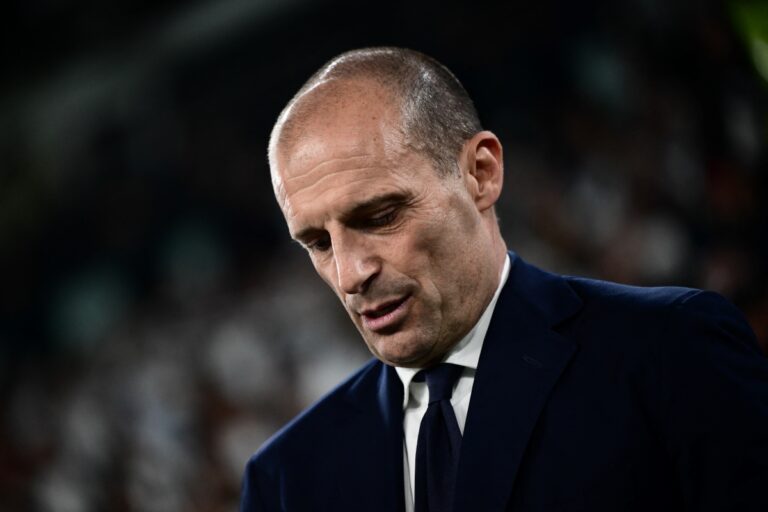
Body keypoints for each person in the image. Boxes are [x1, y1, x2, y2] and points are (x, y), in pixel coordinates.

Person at [240, 47, 768, 511]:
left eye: (380, 217)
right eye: (318, 242)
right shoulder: (286, 479)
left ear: (481, 173)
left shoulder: (669, 349)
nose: (351, 273)